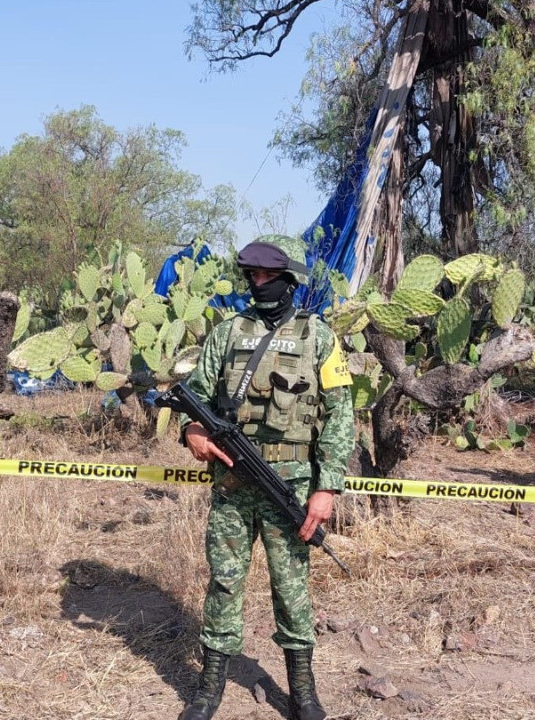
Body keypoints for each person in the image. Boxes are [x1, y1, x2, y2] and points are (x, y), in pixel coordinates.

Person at [177, 235, 355, 720]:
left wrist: (326, 487)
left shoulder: (319, 337)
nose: (257, 284)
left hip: (291, 487)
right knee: (225, 583)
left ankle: (302, 691)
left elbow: (340, 414)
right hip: (233, 484)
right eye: (251, 276)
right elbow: (192, 396)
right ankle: (209, 687)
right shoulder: (228, 334)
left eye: (266, 276)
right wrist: (192, 432)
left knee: (291, 587)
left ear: (288, 281)